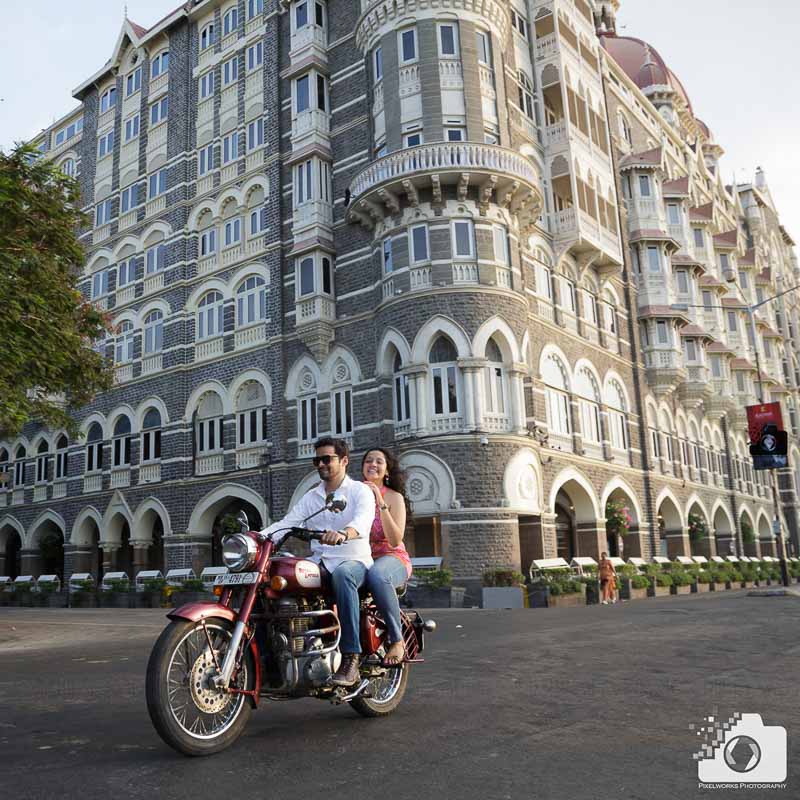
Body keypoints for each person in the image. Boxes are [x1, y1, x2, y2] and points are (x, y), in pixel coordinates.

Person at [259, 437, 375, 686]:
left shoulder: (359, 491)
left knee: (343, 576)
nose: (321, 464)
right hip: (321, 562)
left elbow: (363, 522)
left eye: (327, 459)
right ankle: (271, 657)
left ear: (344, 460)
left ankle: (350, 657)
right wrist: (257, 539)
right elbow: (288, 523)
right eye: (317, 460)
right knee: (274, 580)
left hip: (354, 561)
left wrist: (344, 533)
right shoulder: (312, 497)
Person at [361, 448, 412, 666]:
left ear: (387, 469)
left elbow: (394, 539)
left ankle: (397, 639)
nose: (373, 464)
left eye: (379, 461)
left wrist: (379, 500)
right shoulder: (355, 493)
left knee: (378, 574)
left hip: (393, 559)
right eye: (368, 460)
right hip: (362, 557)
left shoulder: (394, 497)